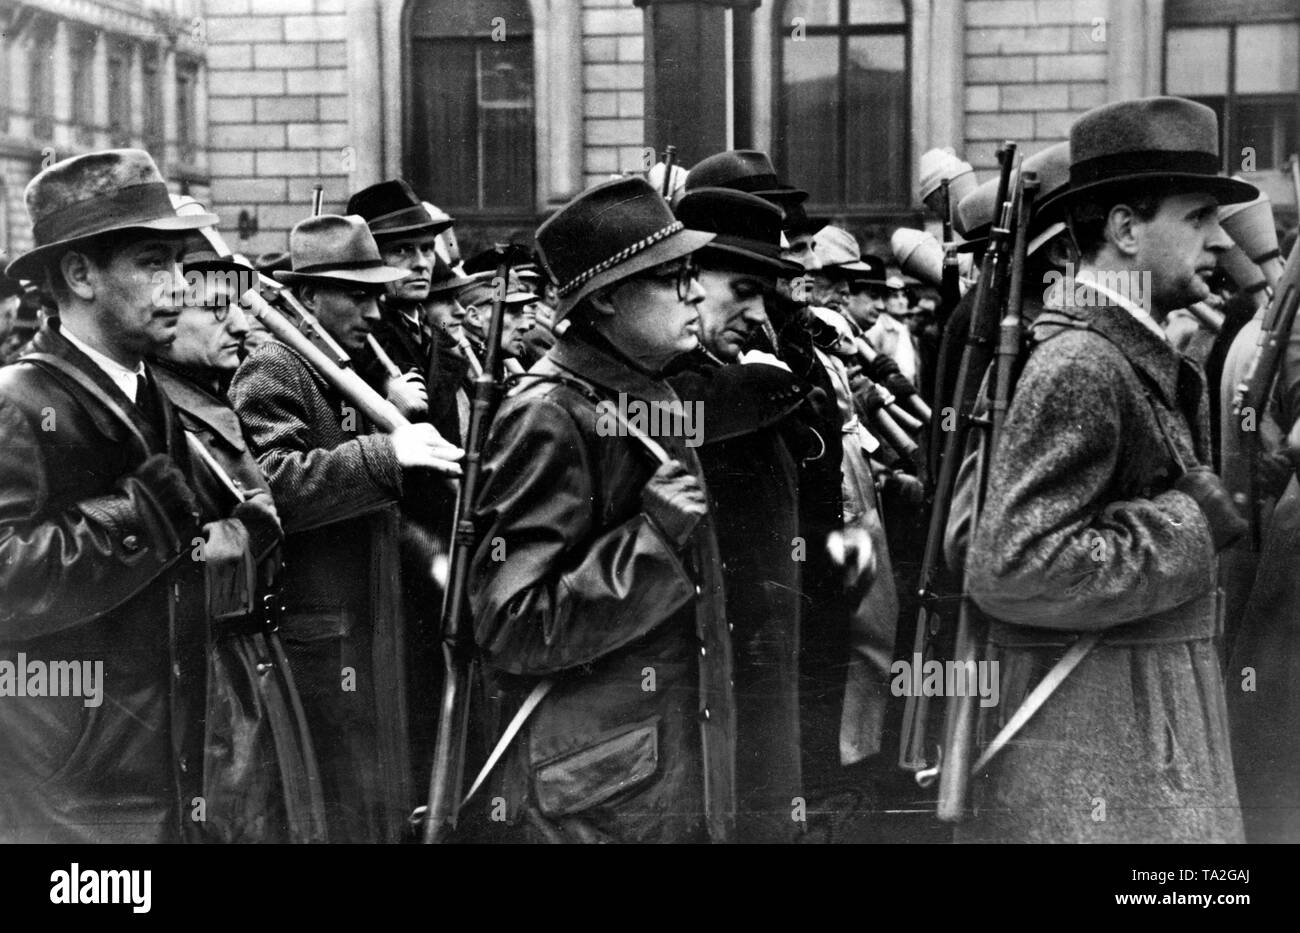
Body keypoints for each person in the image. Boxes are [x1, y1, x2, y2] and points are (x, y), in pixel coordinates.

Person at [963, 97, 1253, 843]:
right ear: (1126, 229)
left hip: (1128, 733)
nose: (1221, 241)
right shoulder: (1083, 362)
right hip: (1099, 758)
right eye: (1197, 218)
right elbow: (1015, 565)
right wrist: (1189, 522)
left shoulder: (1119, 349)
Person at [467, 177, 734, 843]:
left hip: (648, 777)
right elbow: (510, 623)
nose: (696, 292)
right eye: (671, 277)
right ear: (607, 298)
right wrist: (653, 542)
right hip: (599, 798)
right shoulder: (547, 412)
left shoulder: (635, 390)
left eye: (692, 273)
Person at [0, 149, 222, 842]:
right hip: (70, 792)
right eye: (154, 264)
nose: (180, 288)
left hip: (160, 766)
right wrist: (138, 519)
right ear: (79, 274)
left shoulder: (149, 389)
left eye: (180, 265)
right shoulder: (19, 401)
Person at [230, 213, 463, 842]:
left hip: (368, 617)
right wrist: (390, 455)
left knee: (379, 793)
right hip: (318, 633)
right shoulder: (275, 367)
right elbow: (272, 484)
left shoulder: (345, 368)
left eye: (376, 294)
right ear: (307, 297)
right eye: (355, 294)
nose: (373, 309)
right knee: (339, 800)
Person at [152, 241, 326, 842]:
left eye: (240, 306)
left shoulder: (204, 392)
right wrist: (251, 529)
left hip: (247, 660)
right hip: (209, 673)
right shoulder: (161, 409)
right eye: (216, 308)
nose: (240, 321)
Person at [666, 185, 824, 841]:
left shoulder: (734, 367)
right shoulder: (677, 376)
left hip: (760, 639)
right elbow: (703, 405)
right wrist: (770, 378)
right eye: (744, 289)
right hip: (708, 661)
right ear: (688, 277)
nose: (760, 314)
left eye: (767, 295)